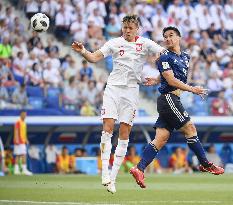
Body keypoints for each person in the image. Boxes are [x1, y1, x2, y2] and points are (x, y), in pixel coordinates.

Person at [72, 14, 164, 193]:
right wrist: (83, 51)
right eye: (125, 27)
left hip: (131, 91)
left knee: (124, 132)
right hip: (113, 88)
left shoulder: (145, 43)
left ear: (137, 28)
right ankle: (104, 172)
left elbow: (164, 54)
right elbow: (93, 57)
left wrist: (160, 76)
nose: (127, 31)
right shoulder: (114, 43)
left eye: (130, 28)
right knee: (107, 128)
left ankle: (112, 179)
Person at [130, 26, 224, 189]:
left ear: (179, 37)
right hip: (169, 99)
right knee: (190, 129)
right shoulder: (163, 57)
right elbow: (171, 80)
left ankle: (139, 168)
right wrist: (193, 89)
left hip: (171, 99)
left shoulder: (186, 57)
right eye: (165, 37)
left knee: (161, 139)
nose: (167, 39)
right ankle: (205, 163)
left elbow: (170, 75)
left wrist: (157, 79)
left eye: (171, 35)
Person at [13, 111, 32, 175]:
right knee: (22, 155)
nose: (25, 116)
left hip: (23, 141)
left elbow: (24, 132)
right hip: (19, 141)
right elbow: (16, 130)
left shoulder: (24, 123)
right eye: (24, 114)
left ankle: (17, 170)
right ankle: (23, 170)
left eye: (26, 114)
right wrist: (16, 139)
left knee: (20, 155)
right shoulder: (18, 122)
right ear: (21, 114)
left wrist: (26, 139)